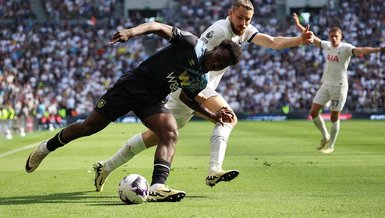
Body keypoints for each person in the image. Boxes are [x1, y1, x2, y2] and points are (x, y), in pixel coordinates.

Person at [93, 0, 314, 192]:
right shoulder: (219, 31)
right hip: (191, 87)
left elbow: (273, 42)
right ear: (230, 14)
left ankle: (106, 166)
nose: (244, 24)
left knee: (154, 137)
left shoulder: (244, 30)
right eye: (240, 18)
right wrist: (200, 100)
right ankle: (214, 170)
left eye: (248, 20)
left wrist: (299, 40)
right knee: (229, 117)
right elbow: (196, 61)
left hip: (197, 90)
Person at [25, 21, 242, 202]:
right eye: (219, 57)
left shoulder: (201, 78)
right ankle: (46, 148)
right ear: (217, 47)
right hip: (132, 86)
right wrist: (130, 32)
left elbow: (188, 97)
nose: (217, 63)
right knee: (89, 127)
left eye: (222, 64)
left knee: (170, 132)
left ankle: (158, 186)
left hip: (152, 100)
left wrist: (213, 116)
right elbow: (156, 26)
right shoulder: (190, 44)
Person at [293, 13, 385, 154]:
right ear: (329, 37)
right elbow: (314, 39)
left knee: (333, 117)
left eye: (336, 36)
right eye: (332, 36)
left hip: (339, 87)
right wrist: (299, 26)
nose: (334, 38)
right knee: (313, 111)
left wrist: (378, 50)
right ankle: (325, 136)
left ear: (340, 37)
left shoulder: (346, 48)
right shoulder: (327, 46)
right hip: (326, 84)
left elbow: (360, 50)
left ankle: (331, 145)